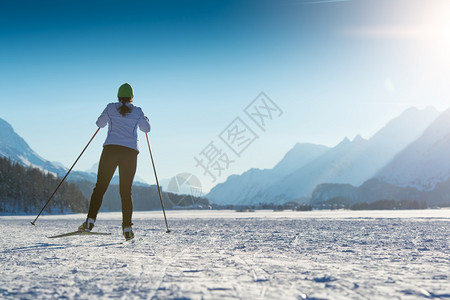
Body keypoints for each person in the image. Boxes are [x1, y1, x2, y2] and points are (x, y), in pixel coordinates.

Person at [78, 83, 150, 240]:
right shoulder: (137, 111)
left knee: (100, 187)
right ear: (132, 97)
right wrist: (144, 119)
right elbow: (146, 129)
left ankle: (89, 222)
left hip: (110, 150)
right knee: (126, 191)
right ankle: (127, 229)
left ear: (118, 96)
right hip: (130, 153)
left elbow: (99, 124)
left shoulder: (110, 108)